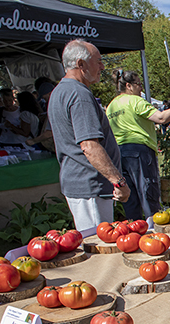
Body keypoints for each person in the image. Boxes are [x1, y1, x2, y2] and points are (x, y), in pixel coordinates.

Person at [48, 39, 129, 231]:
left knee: (94, 240)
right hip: (90, 186)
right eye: (98, 61)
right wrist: (119, 181)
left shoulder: (61, 91)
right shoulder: (78, 94)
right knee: (98, 243)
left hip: (84, 184)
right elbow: (89, 146)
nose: (102, 67)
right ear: (81, 64)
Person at [106, 70, 170, 220]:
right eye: (138, 84)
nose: (141, 88)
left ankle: (135, 226)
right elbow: (161, 118)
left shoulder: (111, 106)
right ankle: (155, 225)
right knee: (148, 192)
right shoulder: (135, 101)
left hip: (119, 152)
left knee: (130, 196)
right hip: (139, 151)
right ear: (128, 86)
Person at [26, 83, 56, 152]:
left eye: (45, 98)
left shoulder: (55, 109)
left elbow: (49, 133)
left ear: (50, 94)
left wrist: (33, 141)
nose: (45, 101)